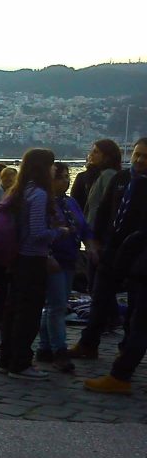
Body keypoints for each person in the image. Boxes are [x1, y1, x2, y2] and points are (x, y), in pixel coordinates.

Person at [70, 138, 147, 365]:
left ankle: (126, 350)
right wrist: (95, 240)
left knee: (135, 305)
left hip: (138, 254)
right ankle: (88, 344)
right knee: (99, 297)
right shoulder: (121, 178)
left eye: (145, 156)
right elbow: (104, 211)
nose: (140, 160)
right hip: (111, 249)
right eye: (137, 154)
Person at [0, 148, 67, 380]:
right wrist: (59, 232)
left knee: (13, 311)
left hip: (17, 258)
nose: (55, 168)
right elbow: (37, 233)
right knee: (28, 314)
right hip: (32, 259)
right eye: (52, 164)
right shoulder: (39, 195)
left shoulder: (19, 191)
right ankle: (21, 363)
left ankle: (6, 358)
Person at [36, 162, 94, 372]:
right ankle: (59, 350)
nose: (66, 181)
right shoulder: (44, 203)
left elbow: (84, 226)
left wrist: (91, 246)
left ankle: (44, 347)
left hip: (70, 259)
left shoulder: (70, 202)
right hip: (54, 259)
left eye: (67, 176)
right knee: (58, 305)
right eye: (60, 177)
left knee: (55, 304)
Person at [72, 139, 121, 214]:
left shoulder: (108, 175)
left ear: (107, 156)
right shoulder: (83, 177)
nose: (91, 154)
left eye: (96, 152)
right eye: (91, 151)